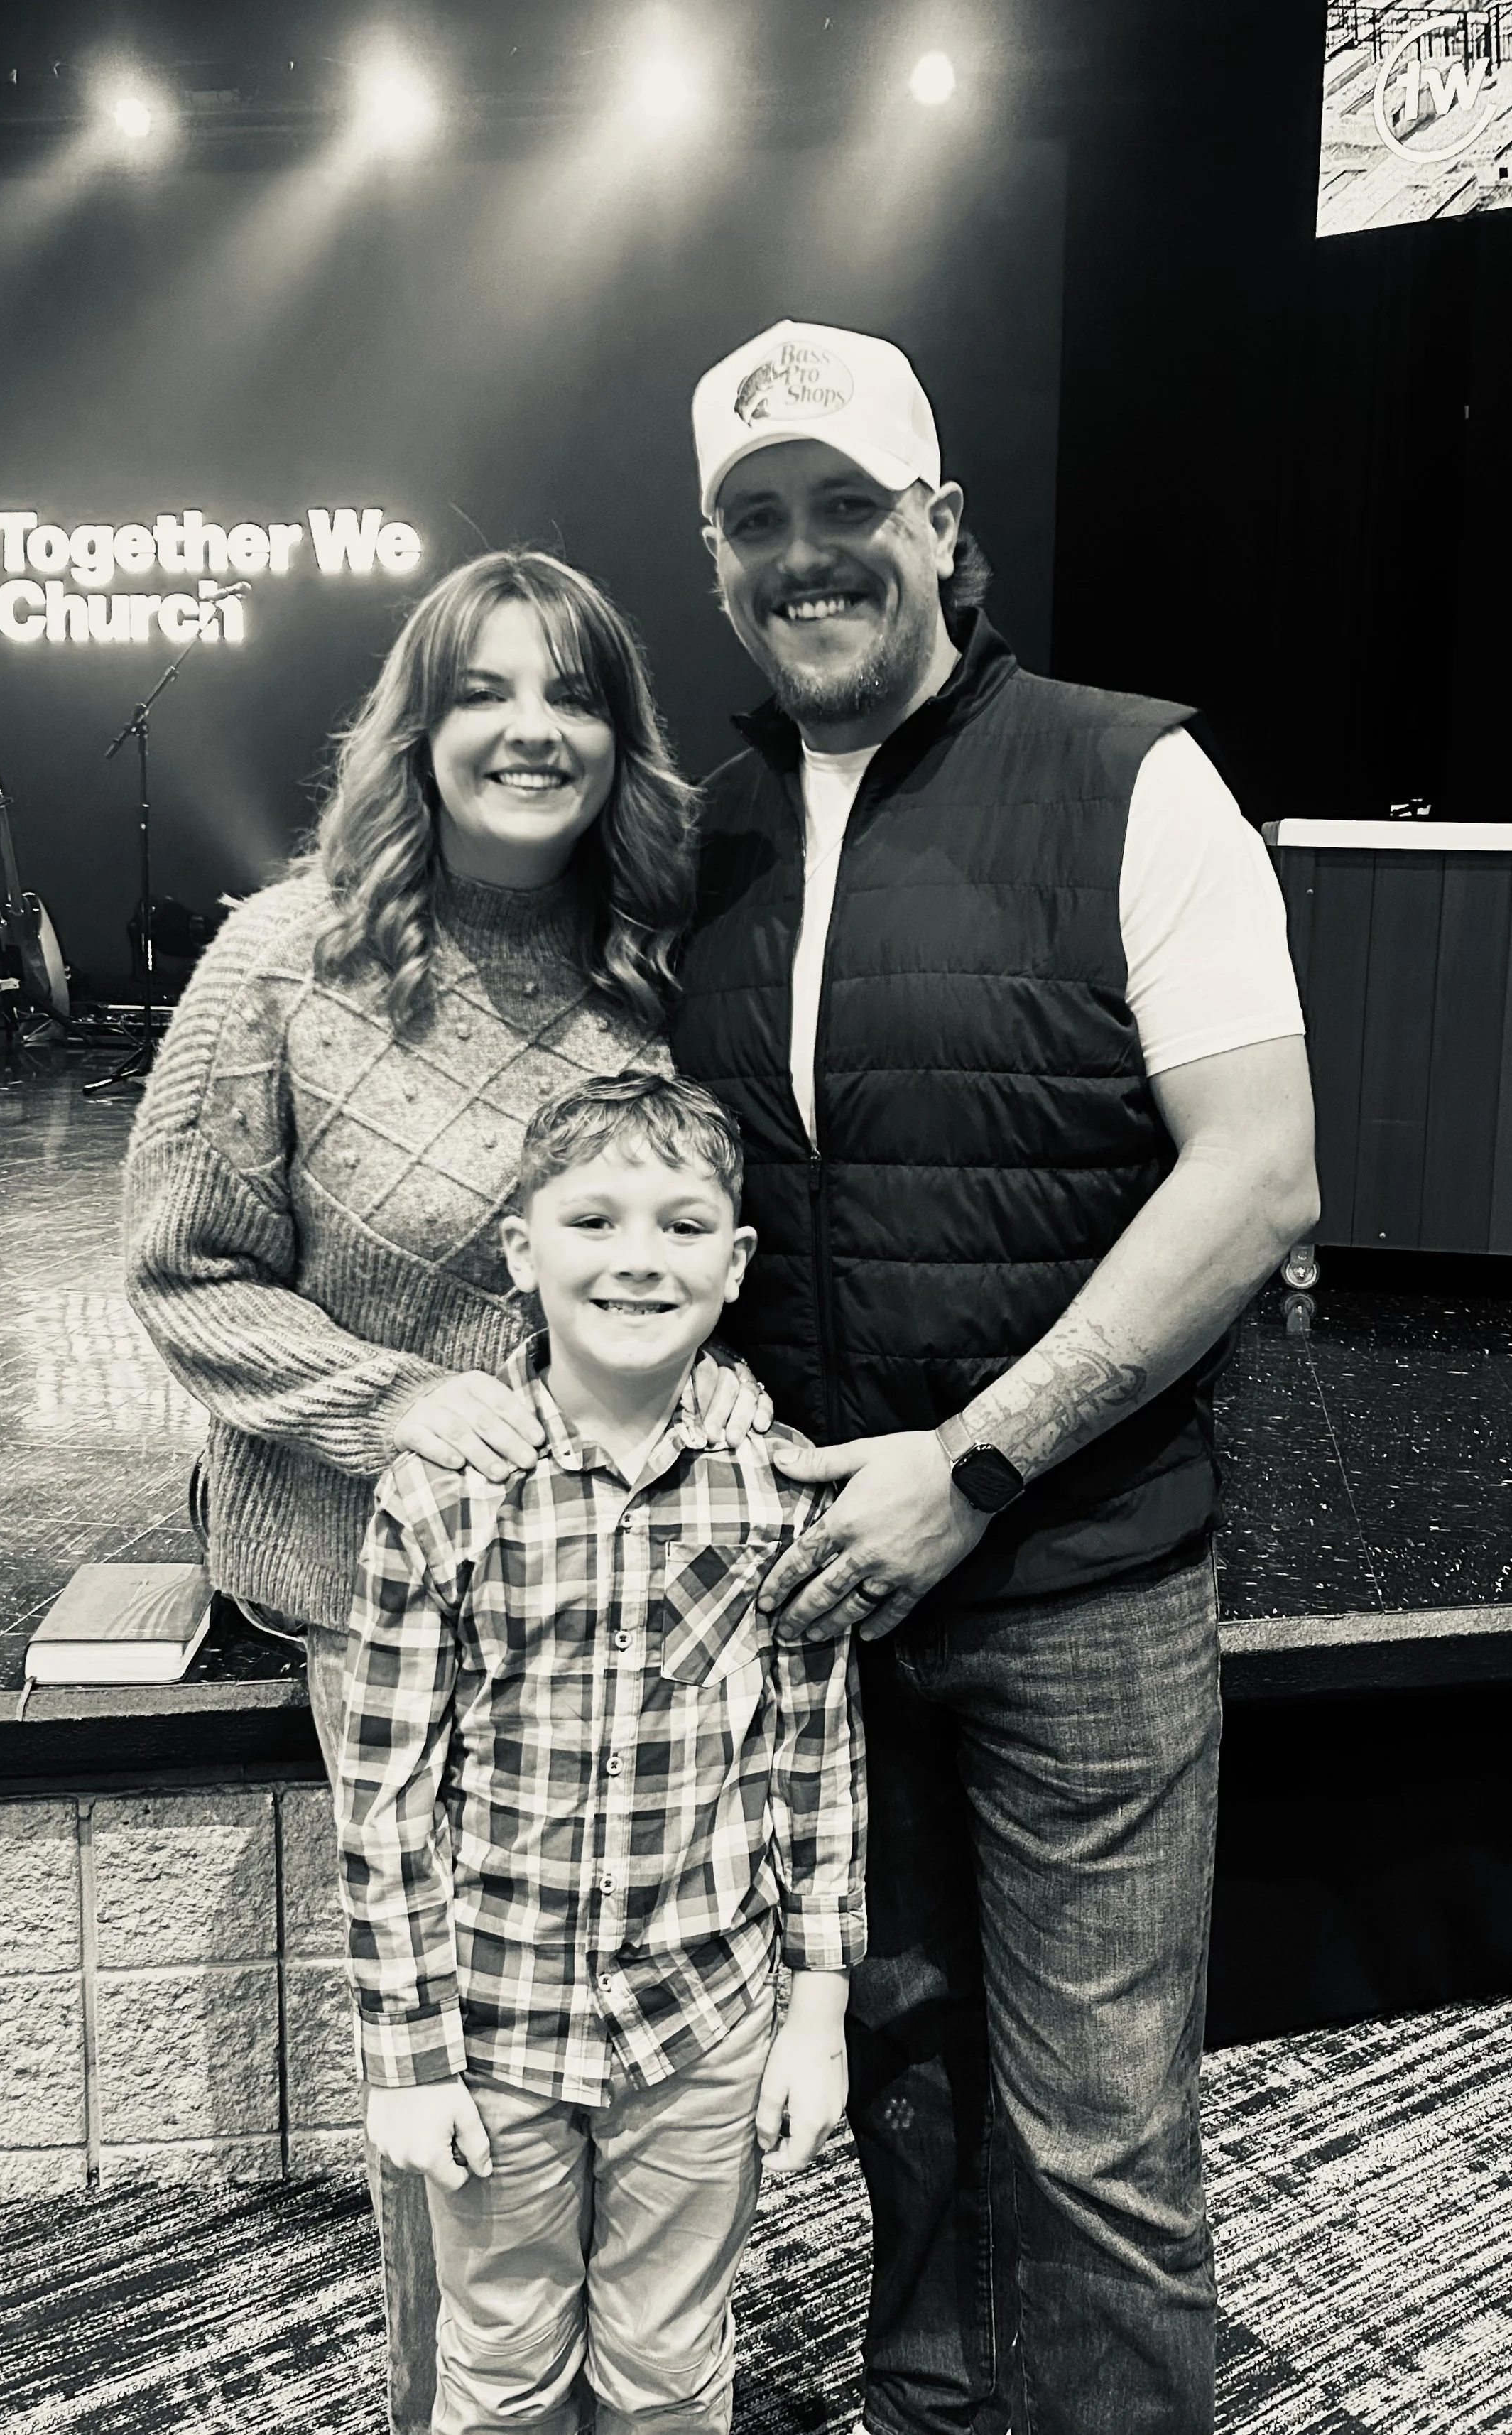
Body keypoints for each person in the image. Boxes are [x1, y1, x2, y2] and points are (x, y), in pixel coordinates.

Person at [666, 322, 1320, 2434]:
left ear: (940, 527)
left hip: (1074, 1582)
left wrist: (972, 1458)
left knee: (1101, 2149)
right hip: (818, 1611)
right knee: (902, 2088)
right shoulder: (709, 827)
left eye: (846, 506)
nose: (806, 556)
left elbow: (1258, 1176)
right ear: (714, 564)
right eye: (756, 521)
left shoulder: (1136, 775)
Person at [124, 551, 758, 2435]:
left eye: (568, 692)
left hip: (628, 1596)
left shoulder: (663, 961)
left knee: (636, 2086)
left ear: (616, 740)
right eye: (478, 690)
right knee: (459, 2085)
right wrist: (389, 1401)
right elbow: (181, 1271)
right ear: (419, 728)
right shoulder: (284, 955)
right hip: (376, 1588)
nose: (526, 727)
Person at [334, 1068, 866, 2435]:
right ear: (521, 1250)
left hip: (704, 2022)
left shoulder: (777, 1483)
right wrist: (403, 2048)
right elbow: (384, 1793)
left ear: (737, 1264)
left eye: (684, 1226)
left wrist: (816, 2012)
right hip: (494, 2023)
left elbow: (817, 1759)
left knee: (669, 2362)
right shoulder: (442, 1494)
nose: (639, 1257)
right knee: (500, 2361)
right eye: (594, 1220)